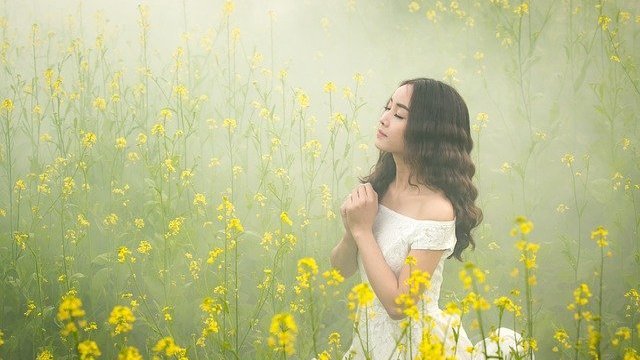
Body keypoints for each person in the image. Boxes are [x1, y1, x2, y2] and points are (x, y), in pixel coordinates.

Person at [330, 78, 528, 359]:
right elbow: (340, 271)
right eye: (387, 108)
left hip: (417, 349)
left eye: (399, 114)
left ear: (429, 131)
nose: (384, 119)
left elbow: (400, 306)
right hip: (369, 344)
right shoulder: (379, 189)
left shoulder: (436, 209)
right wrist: (352, 230)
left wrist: (362, 230)